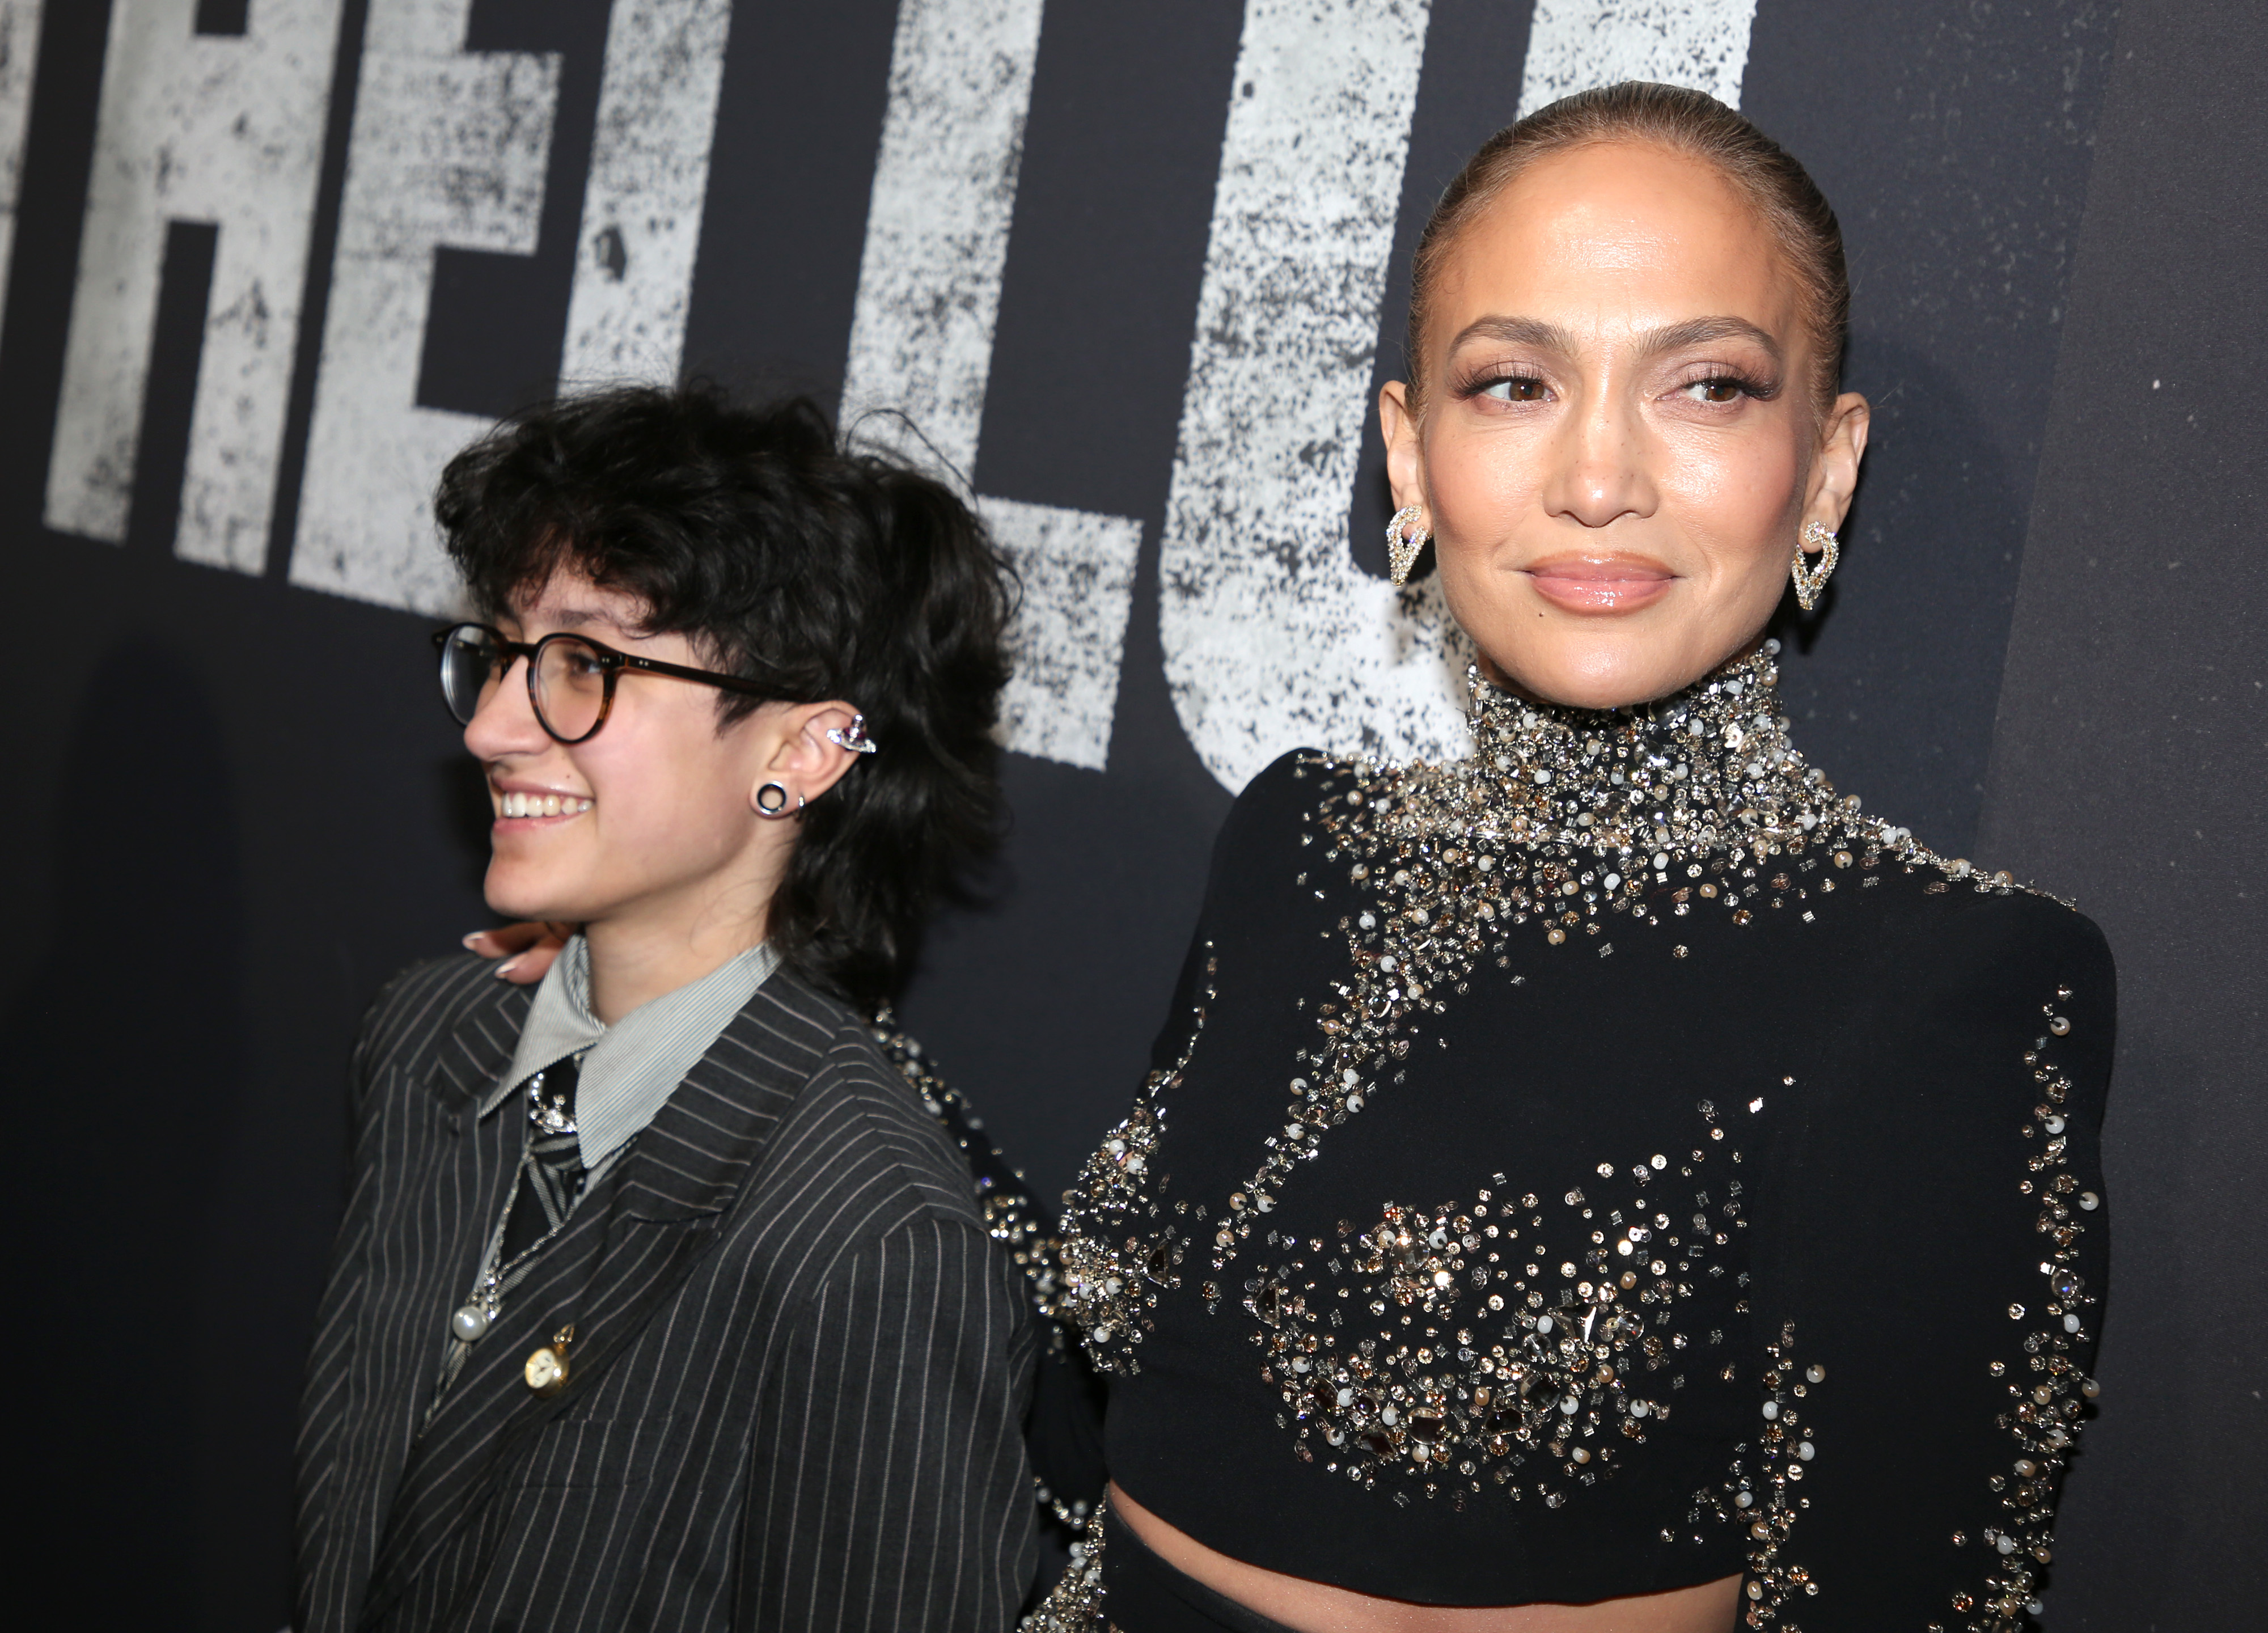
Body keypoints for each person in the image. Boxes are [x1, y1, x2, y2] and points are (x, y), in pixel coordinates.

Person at [1033, 84, 2113, 1632]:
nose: (1596, 477)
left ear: (1828, 467)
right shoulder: (1301, 839)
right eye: (1516, 382)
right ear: (1409, 455)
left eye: (1709, 386)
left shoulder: (1944, 979)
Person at [293, 384, 1045, 1631]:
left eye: (583, 666)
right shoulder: (434, 1039)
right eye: (501, 651)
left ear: (800, 755)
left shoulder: (865, 1240)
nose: (489, 725)